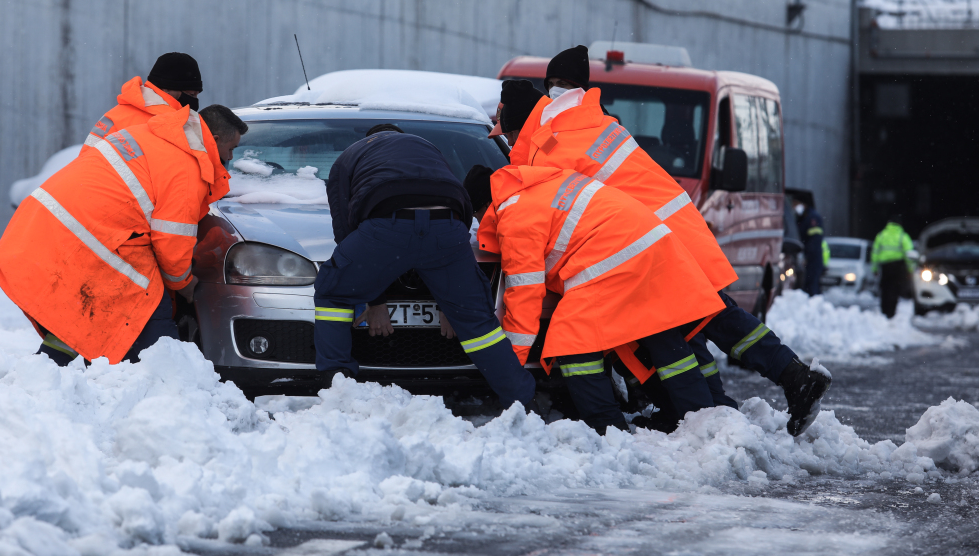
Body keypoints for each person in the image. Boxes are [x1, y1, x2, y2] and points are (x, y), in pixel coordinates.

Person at [496, 49, 831, 436]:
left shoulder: (558, 138)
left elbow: (548, 199)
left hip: (652, 238)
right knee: (698, 320)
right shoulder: (601, 125)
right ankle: (719, 405)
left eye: (554, 86)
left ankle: (786, 381)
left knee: (707, 317)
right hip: (670, 228)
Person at [0, 56, 243, 366]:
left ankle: (50, 371)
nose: (230, 160)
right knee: (146, 313)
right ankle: (165, 380)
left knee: (82, 316)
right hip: (107, 233)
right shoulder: (176, 143)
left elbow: (94, 171)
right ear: (180, 94)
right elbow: (171, 237)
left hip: (68, 224)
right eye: (230, 151)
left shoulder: (120, 117)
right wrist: (185, 284)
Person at [467, 164, 723, 434]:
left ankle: (607, 429)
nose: (479, 222)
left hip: (614, 258)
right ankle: (699, 416)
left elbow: (524, 295)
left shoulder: (514, 216)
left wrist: (508, 366)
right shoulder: (537, 186)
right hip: (646, 245)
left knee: (571, 342)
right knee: (661, 337)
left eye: (476, 215)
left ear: (485, 205)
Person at [314, 126, 537, 410]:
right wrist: (448, 301)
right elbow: (461, 207)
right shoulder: (425, 148)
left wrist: (374, 298)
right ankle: (523, 402)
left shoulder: (349, 157)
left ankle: (337, 385)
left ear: (368, 140)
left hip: (387, 225)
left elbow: (345, 230)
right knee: (478, 322)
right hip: (448, 226)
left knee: (333, 293)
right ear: (399, 135)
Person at [82, 52, 243, 166]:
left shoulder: (117, 114)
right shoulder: (160, 125)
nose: (194, 102)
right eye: (191, 94)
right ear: (167, 90)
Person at [872, 215, 915, 318]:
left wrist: (875, 268)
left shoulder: (881, 235)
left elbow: (875, 253)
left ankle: (884, 311)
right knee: (895, 289)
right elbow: (909, 254)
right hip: (898, 267)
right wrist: (910, 269)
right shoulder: (903, 236)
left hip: (885, 267)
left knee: (885, 289)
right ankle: (891, 312)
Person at [795, 197, 826, 297]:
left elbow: (814, 240)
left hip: (813, 256)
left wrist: (807, 256)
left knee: (812, 282)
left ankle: (812, 302)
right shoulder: (803, 217)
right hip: (809, 256)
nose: (794, 206)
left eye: (795, 203)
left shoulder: (813, 218)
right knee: (809, 282)